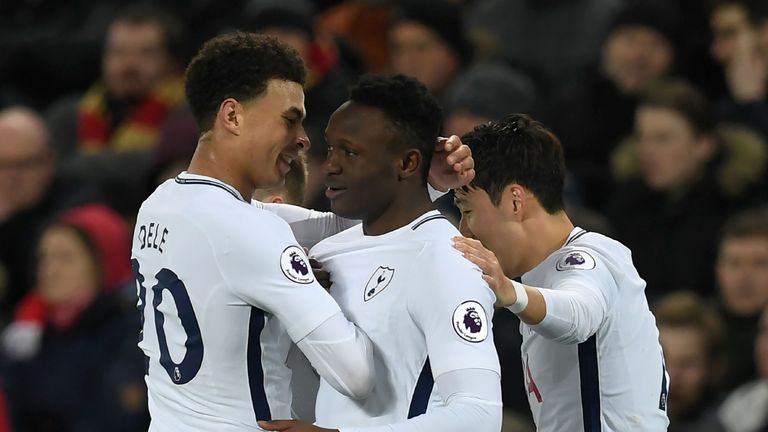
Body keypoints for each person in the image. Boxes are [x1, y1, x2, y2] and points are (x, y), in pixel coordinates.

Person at [132, 32, 377, 431]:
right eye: (290, 119)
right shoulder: (249, 230)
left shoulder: (158, 204)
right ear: (232, 116)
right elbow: (357, 375)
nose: (303, 139)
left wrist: (420, 184)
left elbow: (332, 225)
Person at [259, 74, 501, 432]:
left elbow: (480, 416)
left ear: (406, 164)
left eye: (351, 152)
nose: (331, 166)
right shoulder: (328, 253)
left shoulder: (445, 263)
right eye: (331, 148)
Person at [451, 114, 669, 431]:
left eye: (468, 210)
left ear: (514, 201)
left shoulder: (589, 258)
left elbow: (580, 313)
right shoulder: (542, 276)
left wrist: (510, 292)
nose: (464, 229)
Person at [2, 204, 147, 431]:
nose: (50, 270)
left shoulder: (133, 333)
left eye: (65, 258)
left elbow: (120, 417)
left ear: (103, 263)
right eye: (44, 259)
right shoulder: (31, 334)